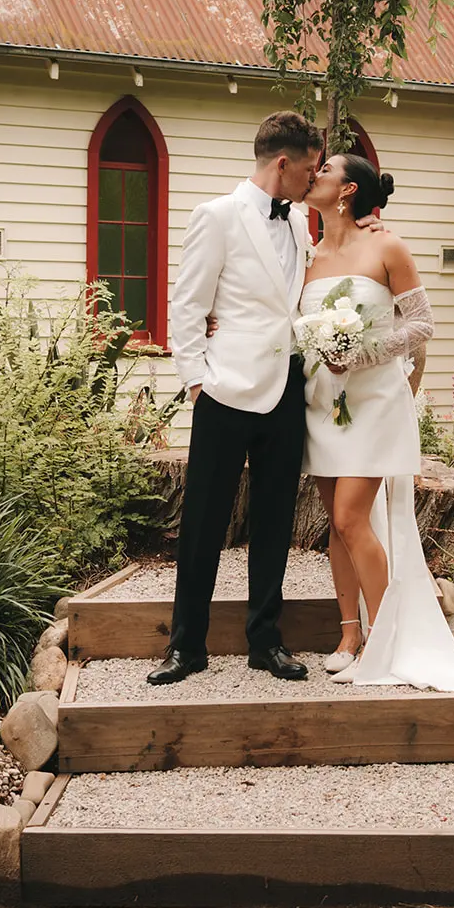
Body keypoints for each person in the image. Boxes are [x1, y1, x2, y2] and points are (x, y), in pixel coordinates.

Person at [292, 153, 454, 691]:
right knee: (335, 524)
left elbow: (422, 324)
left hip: (375, 399)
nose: (314, 175)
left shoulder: (387, 246)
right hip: (322, 401)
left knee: (350, 517)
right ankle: (348, 636)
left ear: (347, 191)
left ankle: (384, 637)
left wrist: (358, 352)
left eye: (325, 170)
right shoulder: (307, 255)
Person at [147, 112, 324, 686]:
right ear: (283, 163)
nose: (312, 179)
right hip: (224, 391)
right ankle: (186, 645)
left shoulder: (300, 224)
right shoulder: (217, 217)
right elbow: (187, 304)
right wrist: (197, 382)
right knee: (203, 521)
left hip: (286, 390)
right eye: (309, 168)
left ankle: (265, 641)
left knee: (275, 521)